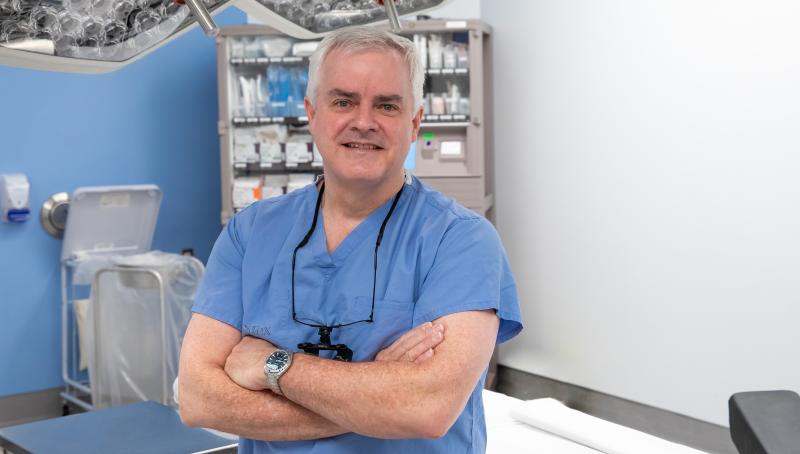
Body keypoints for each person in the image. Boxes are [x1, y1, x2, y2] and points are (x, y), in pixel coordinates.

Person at [179, 26, 522, 453]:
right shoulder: (249, 234)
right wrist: (376, 394)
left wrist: (272, 365)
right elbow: (197, 398)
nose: (364, 122)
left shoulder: (461, 240)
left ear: (414, 123)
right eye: (343, 101)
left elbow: (426, 408)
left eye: (387, 105)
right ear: (312, 114)